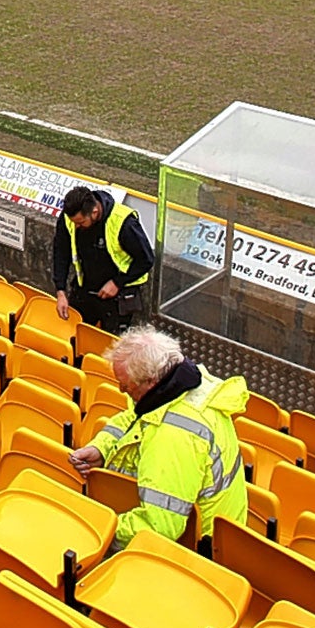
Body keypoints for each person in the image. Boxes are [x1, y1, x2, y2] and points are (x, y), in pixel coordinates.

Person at [69, 325, 248, 546]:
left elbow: (160, 527)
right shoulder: (175, 387)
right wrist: (101, 448)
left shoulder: (175, 437)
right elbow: (132, 419)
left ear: (151, 381)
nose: (121, 390)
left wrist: (98, 528)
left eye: (126, 385)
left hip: (200, 551)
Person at [52, 185, 155, 330]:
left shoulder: (124, 223)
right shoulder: (70, 217)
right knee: (73, 335)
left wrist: (117, 283)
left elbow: (146, 259)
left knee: (112, 346)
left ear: (94, 212)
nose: (76, 226)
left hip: (118, 296)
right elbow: (61, 252)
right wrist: (60, 291)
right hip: (85, 290)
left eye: (81, 223)